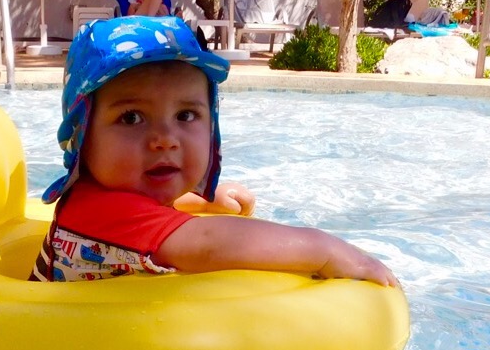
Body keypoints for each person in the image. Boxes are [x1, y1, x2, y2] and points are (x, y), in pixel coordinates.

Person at [30, 16, 397, 287]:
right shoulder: (102, 211)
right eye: (131, 118)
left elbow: (144, 215)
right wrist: (323, 249)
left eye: (185, 115)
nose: (165, 139)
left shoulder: (99, 198)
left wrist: (203, 201)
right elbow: (208, 243)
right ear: (82, 135)